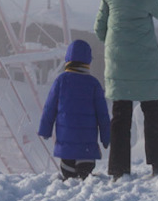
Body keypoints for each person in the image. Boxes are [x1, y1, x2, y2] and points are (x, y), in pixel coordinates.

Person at [94, 0, 158, 177]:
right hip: (146, 65)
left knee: (120, 117)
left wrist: (114, 42)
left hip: (119, 65)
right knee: (152, 113)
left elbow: (99, 30)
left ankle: (118, 169)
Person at [38, 37, 111, 181]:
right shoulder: (94, 84)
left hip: (66, 147)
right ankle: (85, 176)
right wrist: (106, 137)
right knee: (86, 176)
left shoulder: (61, 81)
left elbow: (49, 108)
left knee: (68, 177)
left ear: (68, 58)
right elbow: (103, 114)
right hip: (87, 148)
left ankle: (68, 176)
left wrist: (45, 130)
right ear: (88, 60)